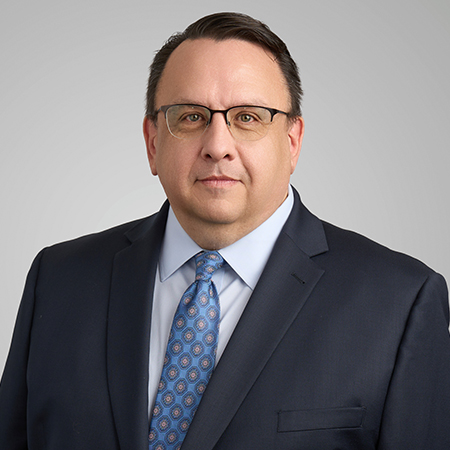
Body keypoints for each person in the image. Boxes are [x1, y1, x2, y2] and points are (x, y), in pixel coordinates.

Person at [1, 11, 449, 450]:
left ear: (292, 142)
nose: (217, 146)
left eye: (248, 117)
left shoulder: (400, 303)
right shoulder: (57, 280)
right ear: (153, 142)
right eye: (191, 117)